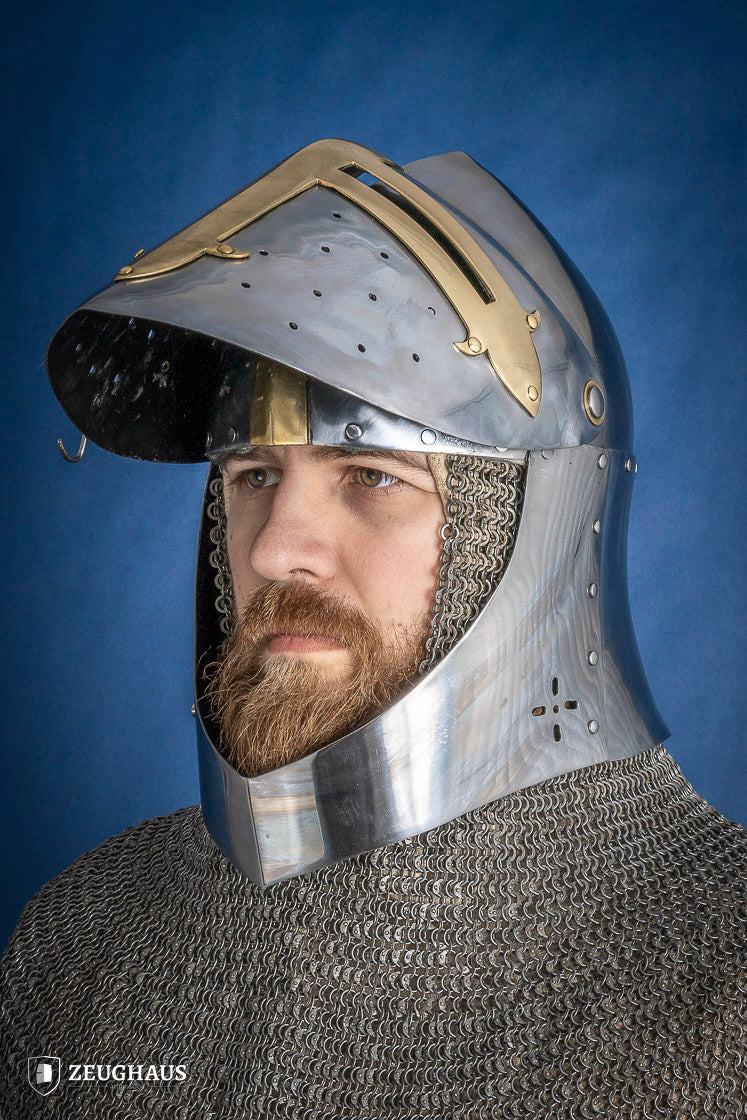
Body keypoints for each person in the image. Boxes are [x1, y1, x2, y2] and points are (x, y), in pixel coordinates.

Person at [1, 138, 745, 1118]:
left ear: (527, 530)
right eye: (253, 478)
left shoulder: (716, 1000)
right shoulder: (89, 946)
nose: (275, 551)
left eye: (373, 477)